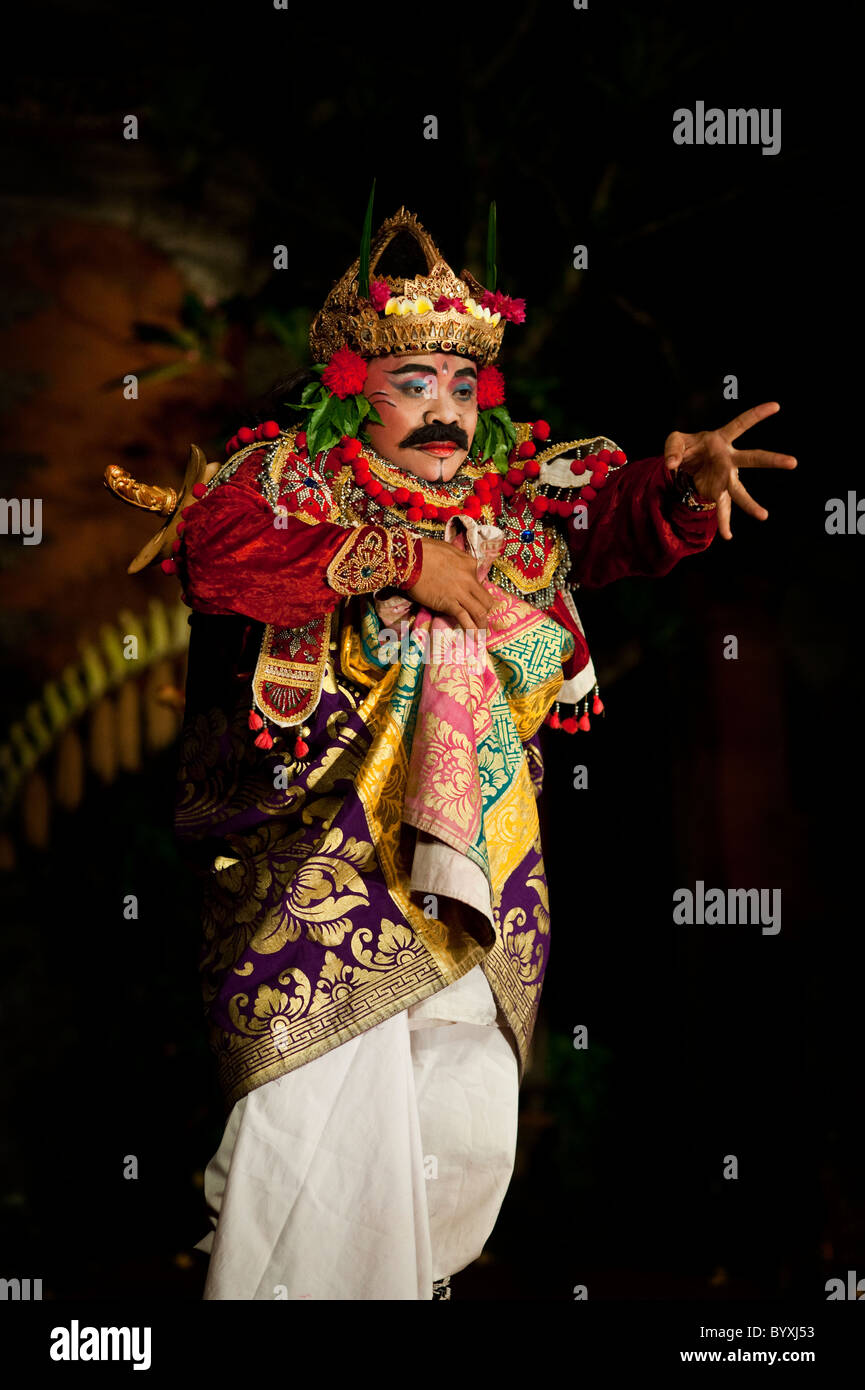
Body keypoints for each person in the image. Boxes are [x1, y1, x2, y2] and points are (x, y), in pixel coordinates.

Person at [112, 205, 795, 1299]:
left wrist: (680, 486)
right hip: (314, 874)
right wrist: (396, 557)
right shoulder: (288, 481)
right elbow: (218, 553)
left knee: (461, 1121)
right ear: (348, 388)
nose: (445, 411)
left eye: (460, 386)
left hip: (478, 869)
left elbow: (608, 515)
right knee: (306, 1127)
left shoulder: (507, 498)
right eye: (414, 383)